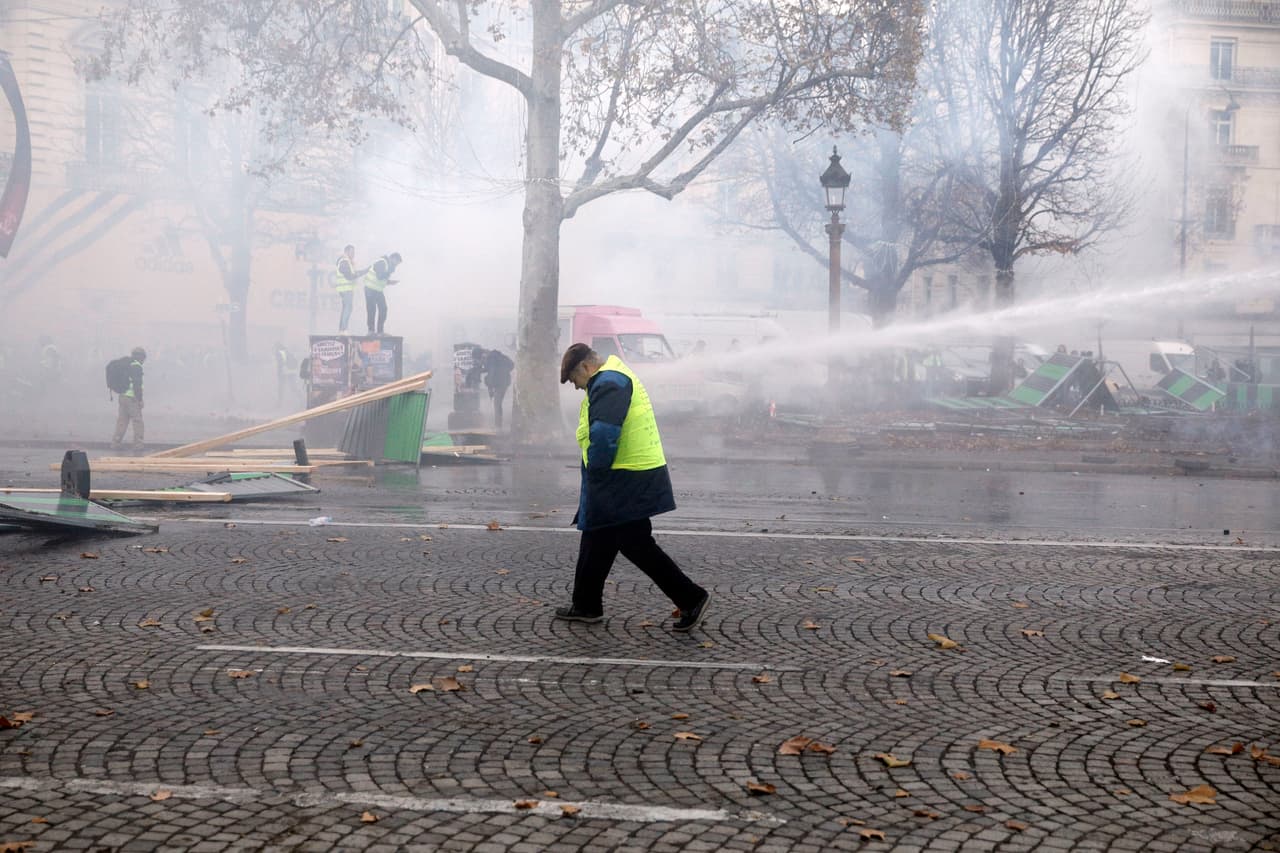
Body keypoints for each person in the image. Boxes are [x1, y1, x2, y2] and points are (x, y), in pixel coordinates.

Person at [556, 343, 711, 632]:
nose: (576, 388)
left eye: (574, 381)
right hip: (626, 475)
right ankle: (586, 604)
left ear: (586, 368)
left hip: (622, 478)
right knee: (598, 536)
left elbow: (604, 433)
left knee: (634, 543)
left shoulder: (609, 383)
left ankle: (691, 597)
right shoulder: (613, 375)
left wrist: (598, 471)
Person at [111, 347, 146, 451]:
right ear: (141, 357)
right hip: (132, 398)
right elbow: (137, 385)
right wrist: (140, 400)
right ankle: (138, 445)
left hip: (122, 397)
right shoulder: (136, 366)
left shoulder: (126, 364)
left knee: (122, 421)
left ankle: (115, 443)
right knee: (138, 421)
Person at [363, 252, 402, 336]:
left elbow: (381, 279)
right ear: (392, 258)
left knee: (383, 309)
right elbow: (379, 276)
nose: (396, 265)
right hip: (370, 289)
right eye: (396, 262)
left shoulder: (388, 266)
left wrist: (390, 282)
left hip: (377, 290)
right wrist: (389, 272)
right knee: (371, 309)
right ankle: (371, 331)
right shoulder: (382, 262)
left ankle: (380, 331)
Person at [333, 245, 365, 334]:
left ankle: (342, 329)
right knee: (348, 308)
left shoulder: (348, 262)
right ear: (346, 252)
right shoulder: (344, 261)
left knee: (346, 308)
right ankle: (343, 329)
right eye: (352, 252)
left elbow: (353, 274)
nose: (353, 254)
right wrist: (359, 274)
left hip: (346, 289)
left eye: (354, 252)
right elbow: (350, 276)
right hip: (345, 289)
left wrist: (363, 272)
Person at [483, 347, 515, 429]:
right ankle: (498, 424)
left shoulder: (490, 359)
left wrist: (490, 386)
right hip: (504, 382)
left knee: (497, 404)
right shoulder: (503, 357)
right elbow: (512, 365)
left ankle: (498, 425)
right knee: (498, 403)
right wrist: (504, 371)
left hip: (498, 383)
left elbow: (491, 373)